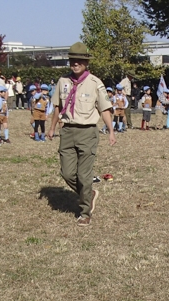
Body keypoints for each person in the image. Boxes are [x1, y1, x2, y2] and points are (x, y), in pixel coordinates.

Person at [48, 42, 116, 227]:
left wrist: (110, 131)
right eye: (72, 60)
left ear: (86, 63)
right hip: (68, 130)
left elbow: (104, 109)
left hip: (87, 132)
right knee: (67, 173)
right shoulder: (63, 81)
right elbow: (57, 107)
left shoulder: (95, 83)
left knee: (84, 175)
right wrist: (52, 127)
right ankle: (89, 193)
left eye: (79, 60)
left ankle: (85, 212)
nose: (75, 63)